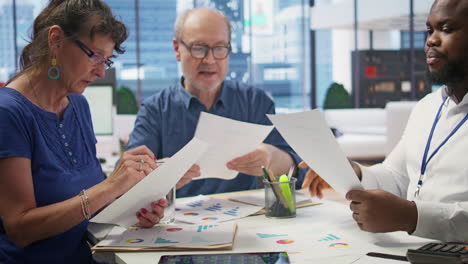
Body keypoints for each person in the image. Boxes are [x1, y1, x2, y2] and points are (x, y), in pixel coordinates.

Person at [0, 1, 166, 263]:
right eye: (94, 55)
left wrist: (135, 208)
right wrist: (110, 186)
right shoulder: (8, 112)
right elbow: (20, 229)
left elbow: (89, 204)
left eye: (107, 61)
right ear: (56, 39)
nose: (101, 71)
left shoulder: (78, 104)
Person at [301, 0, 468, 242]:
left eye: (447, 29)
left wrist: (411, 216)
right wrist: (354, 174)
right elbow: (396, 177)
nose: (431, 40)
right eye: (430, 30)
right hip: (411, 251)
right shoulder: (427, 107)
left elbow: (408, 212)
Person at [126, 8, 303, 197]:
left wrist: (271, 158)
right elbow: (128, 185)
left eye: (219, 48)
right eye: (199, 48)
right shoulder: (155, 110)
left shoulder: (256, 102)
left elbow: (296, 172)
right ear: (177, 49)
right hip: (178, 222)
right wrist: (163, 177)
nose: (209, 60)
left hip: (245, 220)